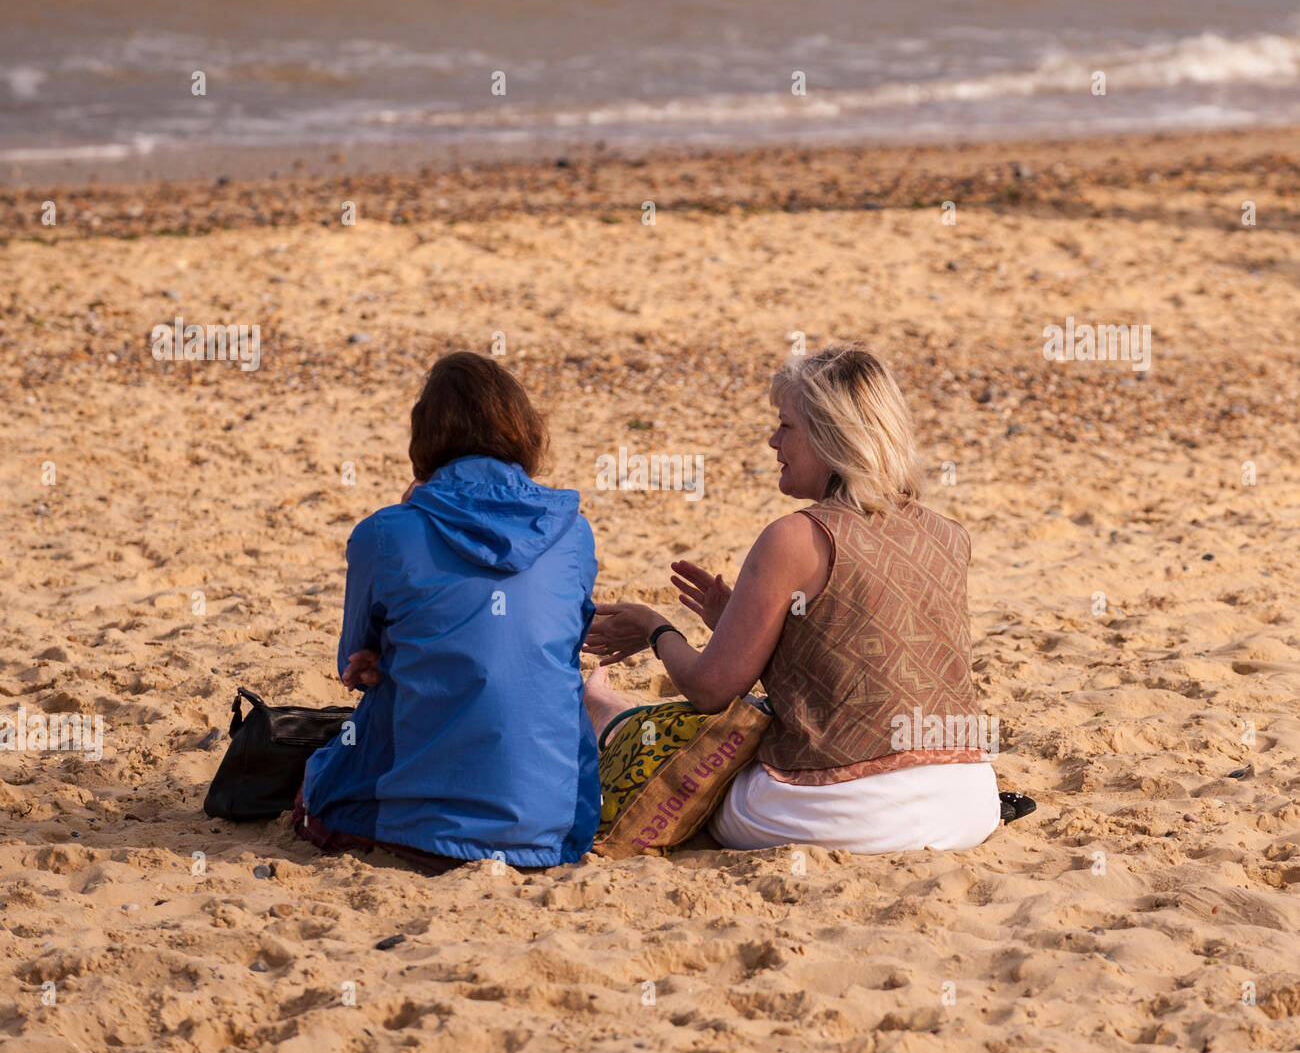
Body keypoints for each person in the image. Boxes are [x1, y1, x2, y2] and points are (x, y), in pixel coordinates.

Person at [583, 343, 1002, 855]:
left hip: (846, 812)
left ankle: (605, 714)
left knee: (690, 745)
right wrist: (733, 621)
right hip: (968, 802)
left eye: (786, 426)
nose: (772, 441)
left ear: (831, 437)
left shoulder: (796, 537)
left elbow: (710, 690)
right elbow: (868, 660)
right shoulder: (947, 533)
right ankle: (609, 711)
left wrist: (655, 629)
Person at [296, 351, 600, 870]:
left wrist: (379, 654)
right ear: (524, 430)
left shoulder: (385, 533)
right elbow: (559, 647)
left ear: (426, 436)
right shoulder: (573, 533)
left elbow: (352, 662)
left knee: (316, 787)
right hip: (551, 828)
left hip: (418, 830)